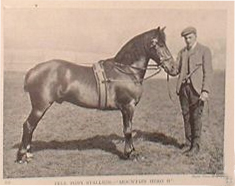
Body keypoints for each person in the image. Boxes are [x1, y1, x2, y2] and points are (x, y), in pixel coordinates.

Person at [174, 26, 213, 157]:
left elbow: (208, 73)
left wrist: (205, 91)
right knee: (186, 116)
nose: (187, 40)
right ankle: (187, 143)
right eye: (185, 38)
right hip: (183, 89)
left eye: (190, 37)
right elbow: (175, 70)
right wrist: (164, 64)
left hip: (196, 90)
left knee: (196, 117)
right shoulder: (182, 53)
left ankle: (195, 146)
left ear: (195, 36)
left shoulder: (204, 51)